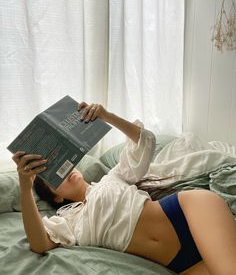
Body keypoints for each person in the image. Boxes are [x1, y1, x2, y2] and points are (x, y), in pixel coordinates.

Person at [12, 102, 236, 275]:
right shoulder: (67, 223)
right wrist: (25, 187)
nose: (66, 170)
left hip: (189, 212)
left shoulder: (113, 177)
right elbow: (39, 243)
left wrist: (106, 116)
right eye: (55, 176)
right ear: (56, 197)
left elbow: (144, 141)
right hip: (178, 263)